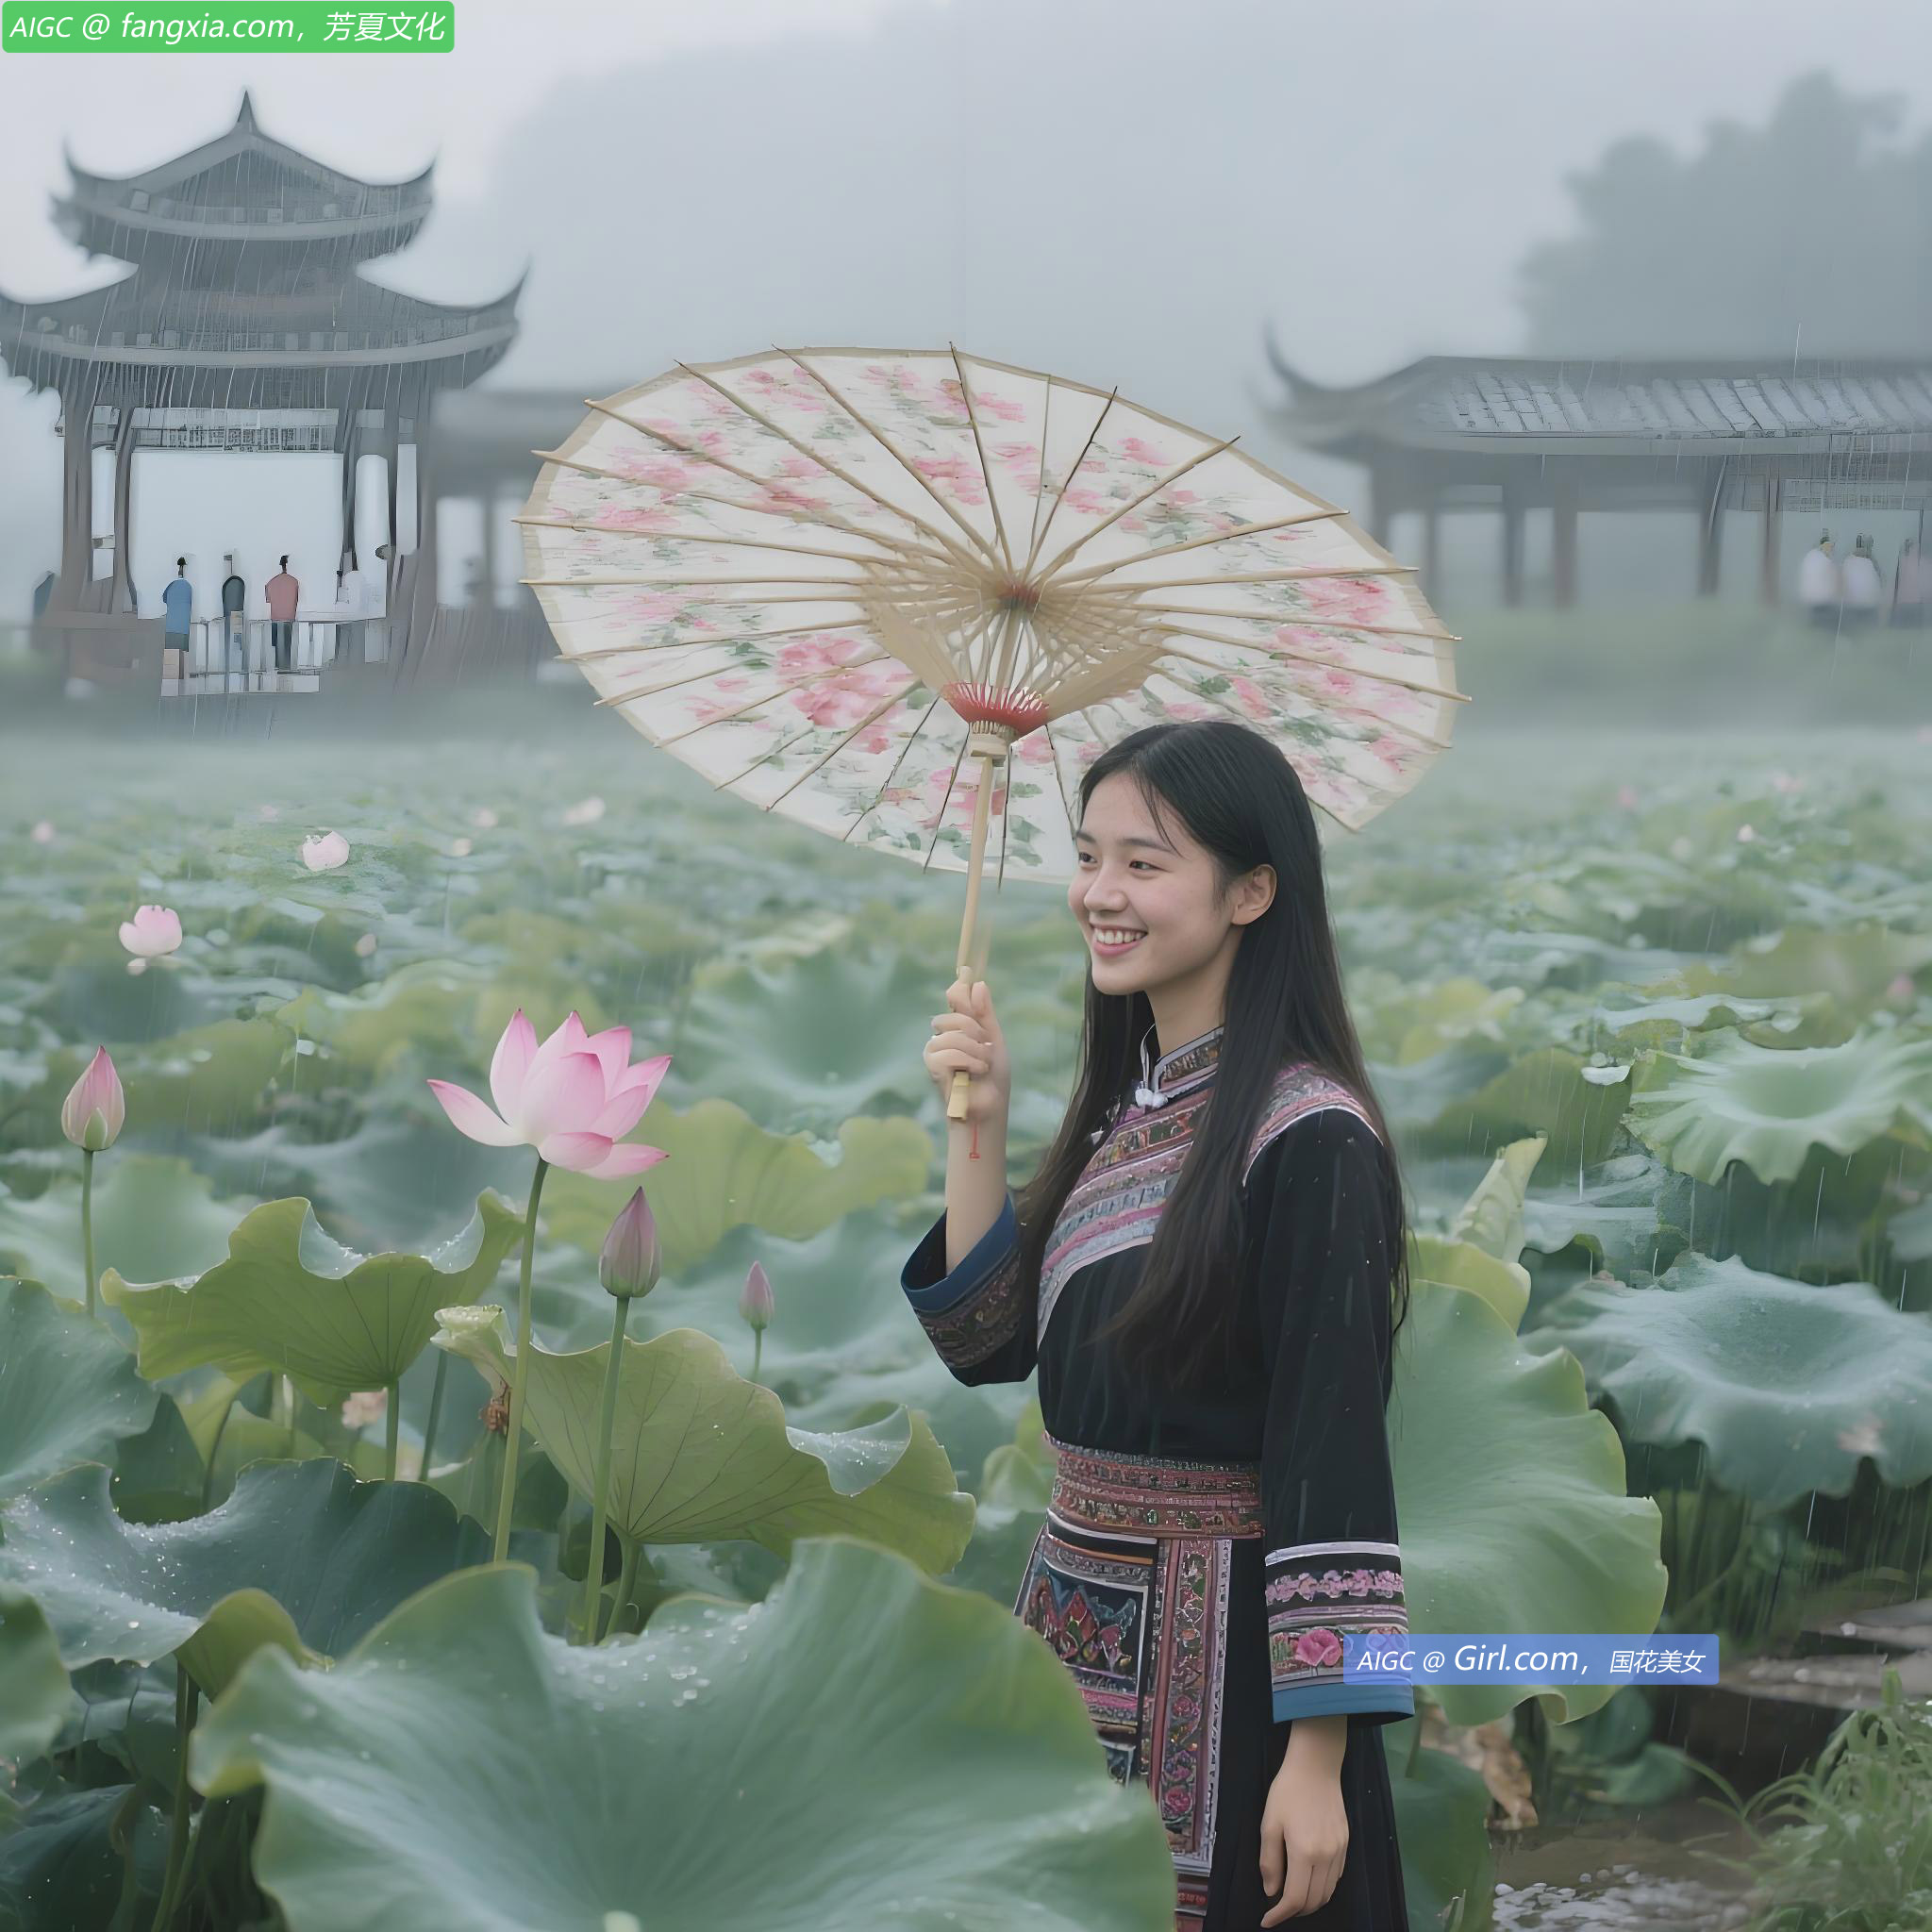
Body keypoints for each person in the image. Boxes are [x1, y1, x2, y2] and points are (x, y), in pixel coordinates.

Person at [907, 720, 1412, 1932]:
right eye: (1087, 857)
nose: (1098, 894)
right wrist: (977, 1126)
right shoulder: (1129, 1107)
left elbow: (1329, 1458)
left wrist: (1316, 1759)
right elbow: (986, 1344)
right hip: (1069, 1625)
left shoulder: (1312, 1137)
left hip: (1230, 1666)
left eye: (1143, 862)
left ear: (1250, 890)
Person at [1797, 530, 1840, 630]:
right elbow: (1837, 583)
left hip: (1807, 602)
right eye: (1831, 547)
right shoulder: (1826, 561)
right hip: (1823, 603)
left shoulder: (1810, 555)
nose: (1832, 550)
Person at [266, 553, 300, 671]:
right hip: (289, 619)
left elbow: (268, 600)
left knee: (274, 647)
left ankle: (277, 668)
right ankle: (287, 669)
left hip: (275, 618)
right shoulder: (294, 582)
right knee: (288, 648)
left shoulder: (271, 582)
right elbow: (297, 599)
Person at [160, 557, 192, 679]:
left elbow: (163, 599)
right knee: (181, 666)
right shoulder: (189, 587)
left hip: (169, 629)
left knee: (170, 665)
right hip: (183, 629)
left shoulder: (171, 585)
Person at [1843, 534, 1882, 630]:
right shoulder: (1870, 562)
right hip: (1865, 607)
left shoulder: (1848, 560)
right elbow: (1878, 583)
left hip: (1851, 606)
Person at [220, 554, 247, 681]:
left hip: (231, 620)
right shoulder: (238, 582)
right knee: (237, 645)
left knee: (232, 646)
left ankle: (232, 669)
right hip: (238, 620)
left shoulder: (229, 583)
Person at [1891, 539, 1924, 627]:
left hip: (1907, 601)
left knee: (1907, 628)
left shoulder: (1904, 560)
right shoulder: (1913, 560)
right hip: (1909, 601)